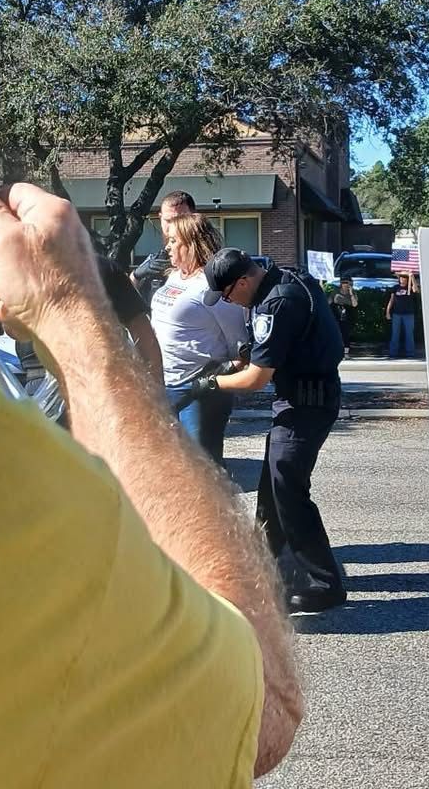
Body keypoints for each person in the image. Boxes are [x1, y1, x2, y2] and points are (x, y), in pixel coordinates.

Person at [0, 185, 302, 788]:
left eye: (174, 225)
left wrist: (156, 394)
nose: (168, 233)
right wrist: (69, 314)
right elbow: (261, 708)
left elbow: (149, 337)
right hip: (70, 407)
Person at [193, 248, 348, 615]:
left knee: (288, 490)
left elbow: (256, 379)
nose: (229, 302)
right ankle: (261, 570)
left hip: (306, 404)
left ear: (243, 281)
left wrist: (211, 385)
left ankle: (324, 583)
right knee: (273, 488)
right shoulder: (283, 280)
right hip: (300, 400)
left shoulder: (276, 304)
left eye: (228, 295)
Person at [0, 252, 163, 389]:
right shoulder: (16, 272)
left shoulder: (17, 271)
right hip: (80, 384)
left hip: (93, 381)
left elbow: (143, 334)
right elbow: (144, 335)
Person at [151, 213, 248, 465]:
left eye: (173, 241)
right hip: (163, 386)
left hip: (199, 394)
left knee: (204, 472)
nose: (167, 246)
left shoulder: (211, 286)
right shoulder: (173, 276)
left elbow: (242, 351)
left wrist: (212, 380)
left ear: (191, 243)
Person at [131, 190, 196, 304]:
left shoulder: (206, 257)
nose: (173, 226)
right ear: (160, 218)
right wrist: (136, 275)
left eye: (179, 220)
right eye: (168, 220)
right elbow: (125, 296)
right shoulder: (156, 258)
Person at [386, 272, 419, 359]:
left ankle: (410, 353)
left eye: (404, 278)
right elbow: (391, 300)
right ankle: (393, 353)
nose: (402, 279)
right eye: (401, 278)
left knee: (409, 334)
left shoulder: (410, 288)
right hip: (397, 314)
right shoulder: (395, 288)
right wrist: (388, 311)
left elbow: (416, 290)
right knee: (395, 334)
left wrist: (412, 277)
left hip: (408, 314)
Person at [330, 277, 358, 358]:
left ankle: (346, 350)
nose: (345, 285)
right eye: (344, 283)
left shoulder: (352, 293)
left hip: (348, 315)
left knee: (346, 333)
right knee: (336, 332)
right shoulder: (336, 292)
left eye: (347, 283)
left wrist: (351, 293)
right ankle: (336, 349)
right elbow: (330, 302)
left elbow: (355, 304)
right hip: (337, 314)